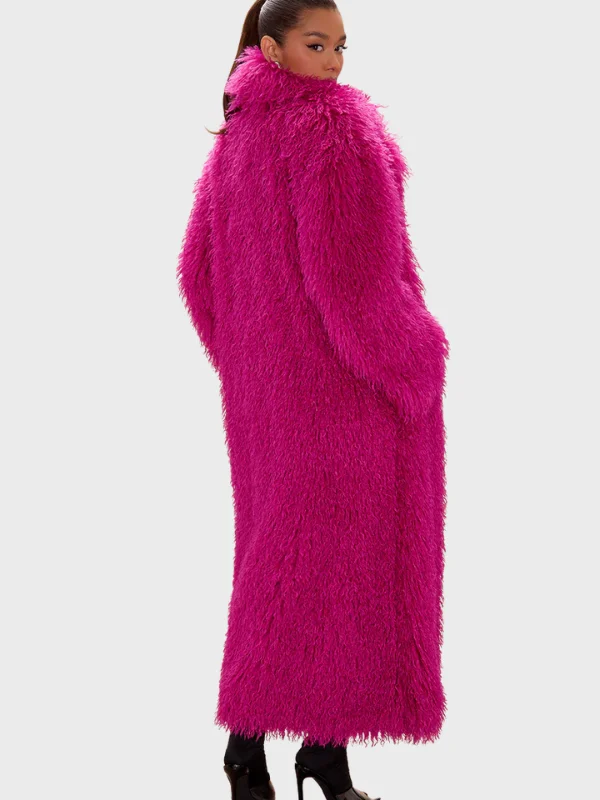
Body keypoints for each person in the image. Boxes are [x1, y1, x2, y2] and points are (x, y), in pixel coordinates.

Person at [177, 2, 450, 799]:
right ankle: (270, 753)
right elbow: (355, 281)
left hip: (269, 407)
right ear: (271, 47)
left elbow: (196, 273)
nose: (333, 59)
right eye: (315, 43)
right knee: (339, 576)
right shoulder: (334, 131)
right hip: (345, 399)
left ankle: (306, 759)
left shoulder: (236, 142)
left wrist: (251, 364)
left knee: (287, 569)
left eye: (339, 44)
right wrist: (416, 359)